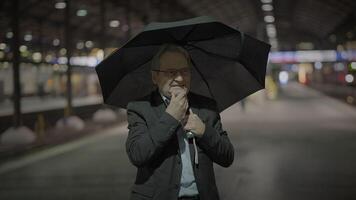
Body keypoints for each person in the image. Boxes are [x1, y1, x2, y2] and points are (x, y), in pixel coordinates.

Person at [126, 44, 235, 200]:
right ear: (155, 77)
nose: (180, 78)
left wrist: (204, 131)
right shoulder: (140, 108)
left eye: (185, 71)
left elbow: (227, 156)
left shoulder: (206, 106)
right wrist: (170, 116)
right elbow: (137, 154)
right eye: (171, 72)